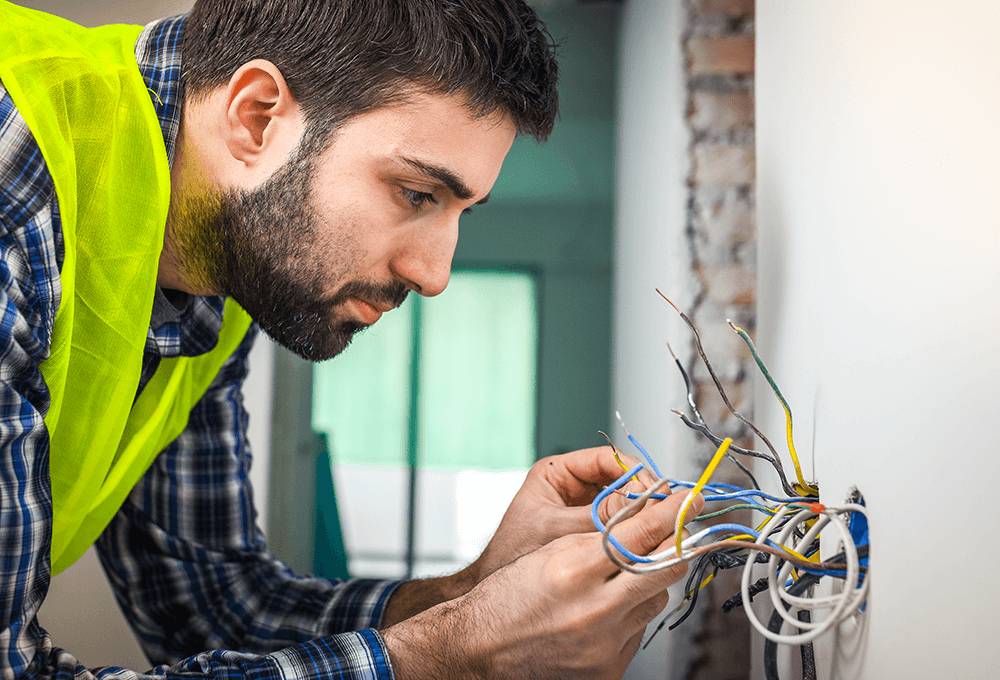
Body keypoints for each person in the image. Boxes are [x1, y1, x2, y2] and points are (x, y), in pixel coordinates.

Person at [0, 1, 704, 679]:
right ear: (256, 116)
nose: (434, 275)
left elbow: (215, 606)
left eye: (460, 211)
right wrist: (453, 658)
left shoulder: (221, 259)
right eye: (417, 195)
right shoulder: (13, 184)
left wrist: (476, 590)